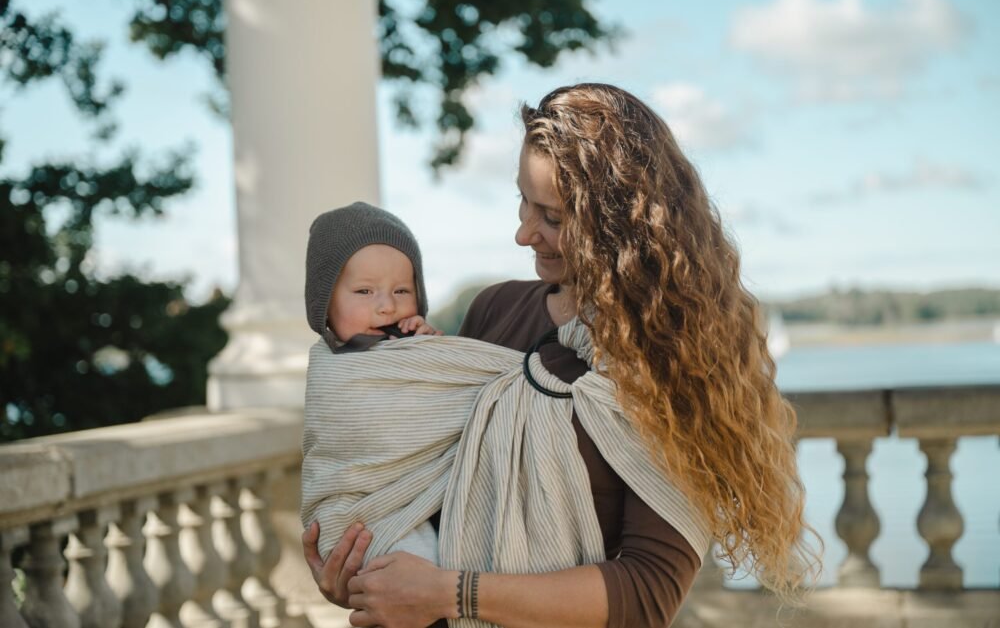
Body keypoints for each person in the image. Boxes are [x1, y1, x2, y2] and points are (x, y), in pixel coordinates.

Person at [302, 83, 818, 628]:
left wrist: (450, 595)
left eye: (552, 217)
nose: (524, 233)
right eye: (523, 200)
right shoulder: (494, 312)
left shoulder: (664, 365)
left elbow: (648, 594)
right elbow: (426, 504)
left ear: (617, 225)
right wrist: (358, 572)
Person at [301, 202, 443, 565]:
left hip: (418, 504)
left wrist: (429, 350)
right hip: (357, 512)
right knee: (414, 563)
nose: (386, 307)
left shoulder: (414, 348)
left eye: (401, 292)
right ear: (325, 303)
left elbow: (448, 403)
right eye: (364, 292)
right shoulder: (329, 366)